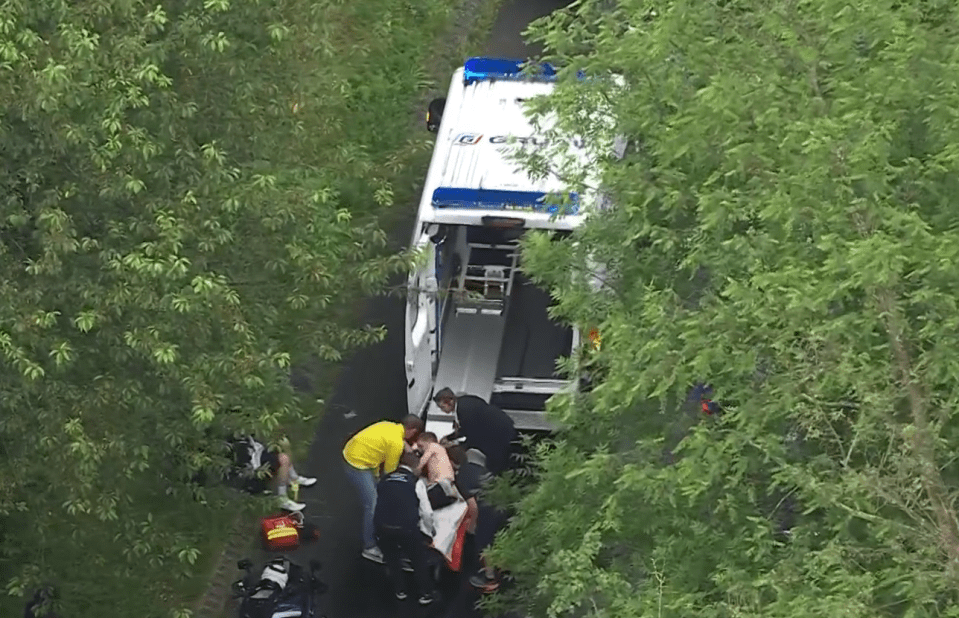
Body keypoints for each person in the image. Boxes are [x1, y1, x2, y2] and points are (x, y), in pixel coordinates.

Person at [343, 415, 425, 562]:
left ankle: (376, 530)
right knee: (372, 505)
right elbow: (389, 474)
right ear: (412, 430)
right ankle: (369, 546)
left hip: (352, 452)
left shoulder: (389, 425)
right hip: (358, 465)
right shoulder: (396, 443)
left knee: (376, 495)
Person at [374, 450, 439, 606]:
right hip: (406, 528)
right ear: (415, 467)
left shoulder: (384, 479)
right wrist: (429, 533)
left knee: (392, 559)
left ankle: (400, 591)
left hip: (382, 526)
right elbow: (427, 512)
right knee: (418, 560)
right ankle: (425, 593)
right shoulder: (416, 483)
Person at [433, 388, 516, 476]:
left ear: (449, 402)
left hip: (497, 434)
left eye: (442, 407)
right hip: (502, 427)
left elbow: (472, 434)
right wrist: (449, 438)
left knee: (496, 463)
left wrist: (459, 447)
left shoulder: (464, 410)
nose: (442, 410)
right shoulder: (465, 401)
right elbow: (466, 428)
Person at [232, 435, 316, 512]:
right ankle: (281, 498)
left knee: (282, 451)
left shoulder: (250, 437)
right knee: (283, 459)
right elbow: (249, 466)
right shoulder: (238, 445)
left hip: (258, 462)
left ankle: (294, 479)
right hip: (254, 477)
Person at [447, 445, 491, 535]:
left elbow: (473, 505)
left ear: (450, 461)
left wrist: (471, 526)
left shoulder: (461, 477)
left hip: (485, 512)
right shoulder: (474, 467)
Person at [415, 432, 458, 509]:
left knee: (424, 503)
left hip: (441, 482)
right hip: (445, 483)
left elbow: (423, 461)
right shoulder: (441, 450)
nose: (419, 449)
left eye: (420, 446)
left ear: (428, 442)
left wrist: (414, 471)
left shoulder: (433, 446)